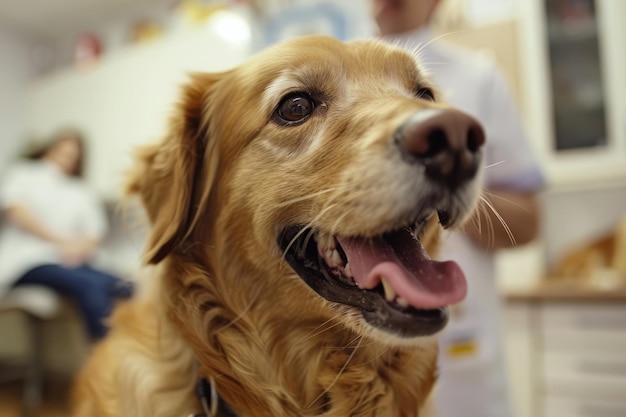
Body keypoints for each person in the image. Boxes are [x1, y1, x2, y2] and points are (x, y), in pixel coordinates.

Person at [370, 1, 545, 416]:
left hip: (460, 349)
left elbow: (529, 222)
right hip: (357, 356)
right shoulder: (331, 71)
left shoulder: (477, 78)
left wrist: (444, 185)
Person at [0, 130, 133, 341]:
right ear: (49, 149)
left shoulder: (80, 190)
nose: (66, 159)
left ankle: (133, 352)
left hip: (72, 261)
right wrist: (62, 242)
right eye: (62, 152)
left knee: (126, 286)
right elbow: (15, 211)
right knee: (90, 286)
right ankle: (107, 360)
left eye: (73, 156)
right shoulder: (24, 173)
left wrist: (80, 249)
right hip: (30, 261)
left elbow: (94, 232)